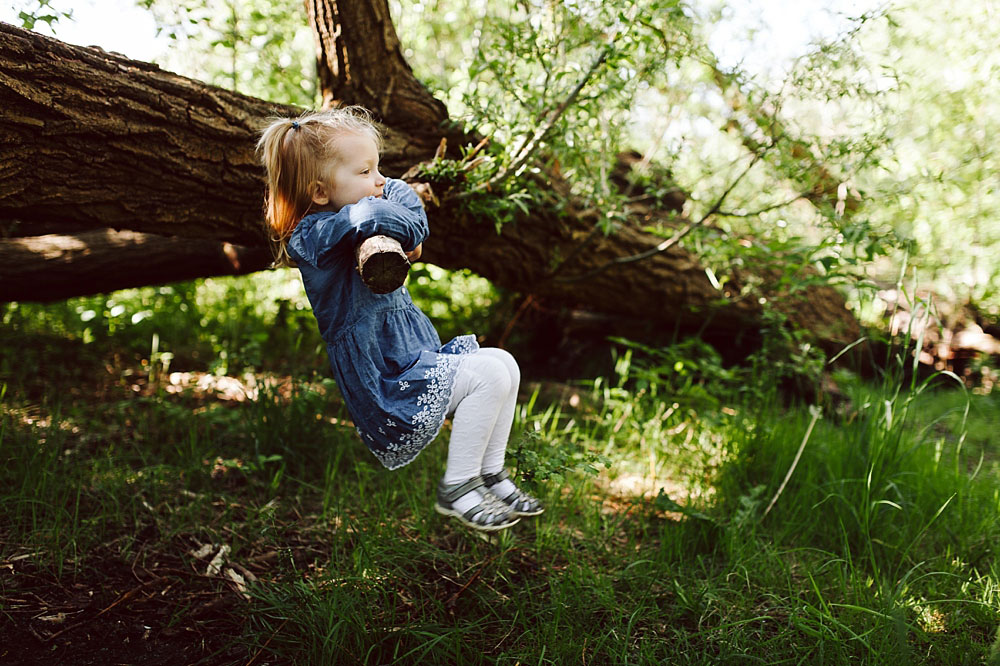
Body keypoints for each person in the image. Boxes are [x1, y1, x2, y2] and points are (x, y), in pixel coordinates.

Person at [256, 106, 543, 532]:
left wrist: (398, 207)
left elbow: (401, 195)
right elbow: (377, 213)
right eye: (365, 171)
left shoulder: (359, 202)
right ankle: (458, 486)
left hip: (410, 355)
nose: (379, 180)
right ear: (319, 192)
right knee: (488, 375)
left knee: (505, 362)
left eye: (378, 168)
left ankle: (490, 473)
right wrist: (405, 221)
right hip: (384, 375)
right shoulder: (311, 235)